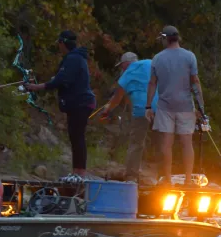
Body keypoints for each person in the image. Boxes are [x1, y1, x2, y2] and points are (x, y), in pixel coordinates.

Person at [25, 30, 96, 182]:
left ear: (62, 43)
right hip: (78, 103)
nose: (58, 46)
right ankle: (76, 172)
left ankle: (80, 174)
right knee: (74, 136)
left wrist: (36, 87)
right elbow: (65, 78)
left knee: (77, 137)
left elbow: (61, 80)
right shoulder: (75, 58)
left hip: (81, 102)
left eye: (59, 43)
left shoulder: (73, 58)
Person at [145, 25, 205, 186]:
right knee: (187, 143)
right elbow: (195, 82)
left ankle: (168, 180)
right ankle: (187, 180)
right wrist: (201, 109)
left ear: (165, 38)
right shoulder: (190, 56)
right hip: (186, 106)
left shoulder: (157, 58)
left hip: (165, 107)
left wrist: (148, 106)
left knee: (166, 144)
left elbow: (152, 83)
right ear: (178, 38)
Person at [100, 52, 158, 183]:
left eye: (122, 66)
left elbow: (117, 98)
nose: (122, 69)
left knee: (136, 143)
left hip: (141, 109)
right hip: (161, 106)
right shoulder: (150, 63)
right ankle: (165, 177)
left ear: (126, 64)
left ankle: (131, 176)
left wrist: (107, 109)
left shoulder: (127, 73)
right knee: (164, 142)